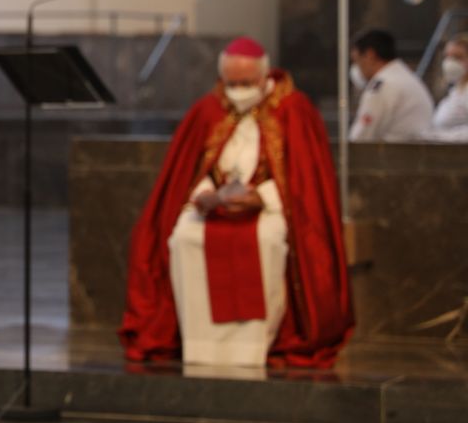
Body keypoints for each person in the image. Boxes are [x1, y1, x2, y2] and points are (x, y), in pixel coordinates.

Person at [120, 37, 353, 369]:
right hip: (214, 206)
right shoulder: (208, 109)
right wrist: (204, 194)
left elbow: (304, 180)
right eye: (232, 83)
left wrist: (262, 196)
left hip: (269, 208)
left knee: (266, 240)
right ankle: (199, 345)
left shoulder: (293, 109)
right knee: (184, 238)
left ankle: (254, 345)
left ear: (263, 76)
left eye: (246, 83)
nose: (238, 90)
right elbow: (190, 168)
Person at [349, 28, 434, 142]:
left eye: (357, 61)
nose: (357, 67)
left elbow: (362, 137)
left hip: (395, 155)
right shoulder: (405, 77)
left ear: (370, 55)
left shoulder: (382, 85)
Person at [430, 33, 468, 137]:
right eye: (447, 56)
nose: (450, 62)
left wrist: (445, 136)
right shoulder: (457, 89)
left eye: (457, 57)